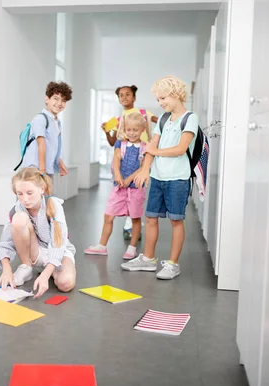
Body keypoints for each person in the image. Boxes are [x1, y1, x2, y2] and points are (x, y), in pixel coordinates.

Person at [121, 75, 199, 280]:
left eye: (163, 98)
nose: (160, 103)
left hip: (178, 179)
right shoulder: (163, 119)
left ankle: (173, 264)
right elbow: (150, 147)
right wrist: (146, 169)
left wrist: (155, 152)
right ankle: (148, 259)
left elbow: (181, 149)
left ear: (176, 95)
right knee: (151, 218)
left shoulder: (190, 118)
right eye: (158, 99)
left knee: (176, 221)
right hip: (157, 177)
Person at [0, 167, 77, 298]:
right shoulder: (17, 209)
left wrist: (46, 275)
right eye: (19, 194)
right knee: (19, 218)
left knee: (65, 284)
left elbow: (58, 243)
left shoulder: (54, 206)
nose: (25, 199)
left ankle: (47, 271)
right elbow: (5, 242)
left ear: (42, 189)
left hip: (59, 253)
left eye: (29, 192)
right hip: (36, 254)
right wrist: (6, 269)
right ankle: (26, 267)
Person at [85, 112, 150, 260]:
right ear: (124, 129)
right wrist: (118, 175)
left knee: (135, 218)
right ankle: (102, 246)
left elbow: (143, 167)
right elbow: (116, 160)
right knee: (108, 216)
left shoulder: (145, 147)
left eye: (136, 130)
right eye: (129, 130)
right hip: (119, 188)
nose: (132, 133)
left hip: (135, 189)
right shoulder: (120, 143)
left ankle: (132, 248)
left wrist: (129, 179)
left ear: (142, 130)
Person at [101, 85, 158, 240]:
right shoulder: (117, 120)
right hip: (126, 157)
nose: (124, 97)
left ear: (134, 97)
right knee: (124, 192)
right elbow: (113, 142)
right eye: (121, 95)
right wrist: (107, 130)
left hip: (142, 158)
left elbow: (160, 123)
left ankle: (131, 226)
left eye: (128, 94)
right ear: (118, 99)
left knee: (136, 193)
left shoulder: (143, 113)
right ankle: (130, 226)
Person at [19, 81, 73, 178]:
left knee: (45, 193)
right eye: (56, 99)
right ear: (47, 99)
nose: (59, 103)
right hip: (35, 169)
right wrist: (42, 172)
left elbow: (52, 147)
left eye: (63, 101)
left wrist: (59, 162)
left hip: (46, 168)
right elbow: (41, 144)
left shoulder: (56, 122)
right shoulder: (40, 119)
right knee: (34, 193)